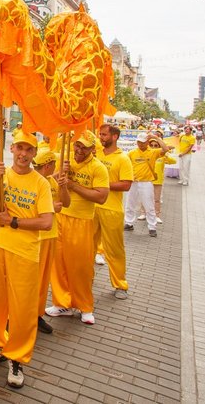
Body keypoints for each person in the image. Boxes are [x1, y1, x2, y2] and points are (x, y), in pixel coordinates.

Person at [0, 130, 53, 390]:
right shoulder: (1, 174)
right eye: (19, 148)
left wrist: (14, 222)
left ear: (34, 153)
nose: (23, 154)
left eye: (28, 149)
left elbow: (46, 222)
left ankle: (17, 358)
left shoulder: (40, 184)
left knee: (22, 308)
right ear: (11, 149)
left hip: (24, 252)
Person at [46, 131, 109, 325]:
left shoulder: (98, 168)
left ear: (92, 149)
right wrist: (61, 172)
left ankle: (85, 306)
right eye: (77, 146)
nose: (79, 150)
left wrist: (73, 185)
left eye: (84, 147)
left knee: (80, 267)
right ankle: (62, 303)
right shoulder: (64, 159)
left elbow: (101, 196)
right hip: (60, 218)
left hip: (82, 221)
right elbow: (46, 180)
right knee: (59, 265)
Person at [95, 124, 134, 299]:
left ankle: (120, 284)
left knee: (114, 250)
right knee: (87, 248)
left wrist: (102, 184)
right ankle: (86, 279)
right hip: (92, 207)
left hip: (111, 209)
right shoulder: (95, 154)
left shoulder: (123, 159)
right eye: (100, 134)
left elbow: (126, 184)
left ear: (115, 137)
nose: (101, 137)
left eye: (104, 135)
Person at [32, 145, 67, 335]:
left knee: (44, 280)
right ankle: (22, 317)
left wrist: (63, 186)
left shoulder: (52, 182)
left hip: (51, 236)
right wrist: (51, 206)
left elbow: (65, 203)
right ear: (48, 165)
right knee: (32, 281)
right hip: (37, 238)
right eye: (54, 164)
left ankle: (37, 314)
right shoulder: (33, 182)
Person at [125, 132, 169, 236]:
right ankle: (129, 223)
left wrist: (155, 137)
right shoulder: (132, 153)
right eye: (139, 142)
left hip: (146, 182)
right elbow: (126, 165)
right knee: (130, 203)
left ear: (147, 143)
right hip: (134, 182)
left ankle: (152, 227)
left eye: (143, 142)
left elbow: (165, 149)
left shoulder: (153, 152)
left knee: (149, 205)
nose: (140, 144)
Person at [150, 136, 175, 224]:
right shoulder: (148, 154)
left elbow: (174, 161)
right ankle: (143, 213)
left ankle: (157, 215)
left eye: (155, 145)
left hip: (158, 181)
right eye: (151, 145)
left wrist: (166, 157)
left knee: (157, 199)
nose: (153, 147)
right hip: (148, 180)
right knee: (146, 198)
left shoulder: (162, 156)